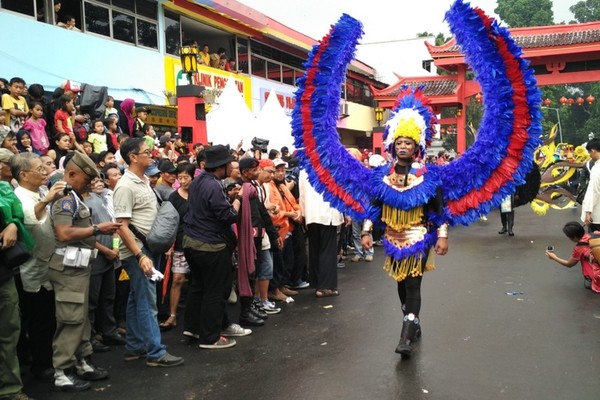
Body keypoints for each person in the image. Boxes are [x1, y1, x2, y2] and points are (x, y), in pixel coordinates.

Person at [47, 152, 121, 391]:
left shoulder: (75, 198)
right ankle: (63, 371)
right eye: (85, 178)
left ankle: (81, 361)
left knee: (81, 320)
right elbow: (64, 233)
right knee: (71, 320)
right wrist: (97, 229)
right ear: (70, 174)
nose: (90, 182)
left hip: (79, 267)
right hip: (68, 269)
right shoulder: (65, 200)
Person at [113, 137, 184, 366]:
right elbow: (121, 225)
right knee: (147, 302)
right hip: (138, 252)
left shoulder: (143, 180)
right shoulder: (124, 186)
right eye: (146, 152)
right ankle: (156, 352)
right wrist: (139, 255)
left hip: (147, 249)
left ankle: (134, 346)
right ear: (133, 157)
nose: (150, 155)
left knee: (137, 299)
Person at [183, 145, 249, 349]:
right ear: (220, 166)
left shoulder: (197, 182)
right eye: (230, 163)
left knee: (198, 287)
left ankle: (194, 328)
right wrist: (236, 201)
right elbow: (227, 216)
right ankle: (210, 337)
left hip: (191, 242)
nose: (232, 167)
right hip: (210, 245)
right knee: (215, 290)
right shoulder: (213, 185)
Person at [11, 153, 65, 384]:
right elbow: (30, 219)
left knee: (48, 318)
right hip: (30, 268)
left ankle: (46, 360)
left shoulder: (41, 191)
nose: (45, 172)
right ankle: (39, 365)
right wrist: (47, 201)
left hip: (49, 264)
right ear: (23, 175)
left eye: (45, 168)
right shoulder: (19, 196)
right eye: (39, 169)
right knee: (36, 320)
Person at [0, 169, 36, 400]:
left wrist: (13, 223)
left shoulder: (3, 191)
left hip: (2, 275)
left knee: (9, 333)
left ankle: (10, 389)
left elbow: (15, 209)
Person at [160, 163, 196, 330]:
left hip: (198, 243)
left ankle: (195, 315)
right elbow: (168, 223)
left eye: (186, 178)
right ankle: (172, 315)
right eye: (179, 178)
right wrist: (169, 246)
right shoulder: (173, 198)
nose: (182, 181)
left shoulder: (198, 194)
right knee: (177, 279)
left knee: (198, 281)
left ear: (193, 177)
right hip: (180, 244)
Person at [300, 170, 345, 299]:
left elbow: (302, 194)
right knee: (328, 252)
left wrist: (304, 214)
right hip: (327, 214)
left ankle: (316, 282)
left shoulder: (305, 169)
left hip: (311, 214)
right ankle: (325, 287)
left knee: (315, 249)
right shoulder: (332, 166)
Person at [546, 221, 600, 292]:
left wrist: (554, 257)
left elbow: (569, 264)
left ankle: (591, 278)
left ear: (574, 237)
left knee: (584, 258)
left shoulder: (579, 248)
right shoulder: (596, 234)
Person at [582, 139, 600, 233]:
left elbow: (594, 191)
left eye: (589, 152)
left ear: (593, 150)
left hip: (597, 216)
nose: (589, 155)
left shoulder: (597, 169)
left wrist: (588, 212)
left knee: (596, 244)